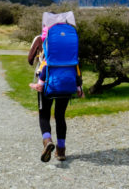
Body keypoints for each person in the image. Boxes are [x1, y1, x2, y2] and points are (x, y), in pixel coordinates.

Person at [28, 21, 83, 162]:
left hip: (45, 83)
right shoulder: (67, 38)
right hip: (67, 81)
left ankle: (47, 141)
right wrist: (79, 87)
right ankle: (61, 150)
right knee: (60, 116)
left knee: (44, 115)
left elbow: (29, 59)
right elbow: (75, 64)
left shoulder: (40, 38)